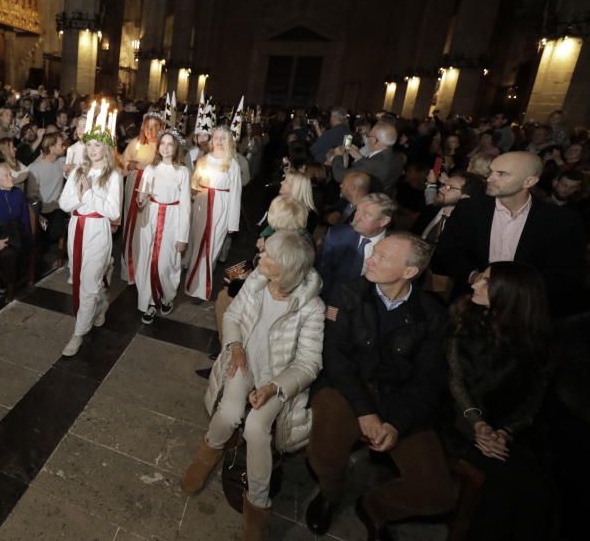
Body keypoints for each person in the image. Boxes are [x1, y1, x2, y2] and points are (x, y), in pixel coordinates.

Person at [305, 233, 455, 540]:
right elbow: (336, 356)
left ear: (409, 272)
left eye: (382, 257)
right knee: (324, 448)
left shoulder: (432, 315)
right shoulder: (348, 292)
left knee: (437, 491)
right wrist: (364, 411)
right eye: (374, 252)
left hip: (400, 398)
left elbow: (429, 380)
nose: (370, 258)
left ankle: (375, 508)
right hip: (349, 388)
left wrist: (397, 424)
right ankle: (330, 493)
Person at [181, 231, 324, 541]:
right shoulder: (258, 281)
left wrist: (273, 387)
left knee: (257, 428)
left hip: (277, 381)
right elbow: (232, 315)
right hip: (242, 363)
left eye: (270, 256)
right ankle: (208, 455)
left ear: (286, 268)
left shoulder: (311, 308)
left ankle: (258, 505)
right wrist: (234, 346)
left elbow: (309, 363)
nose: (261, 259)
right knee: (230, 412)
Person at [445, 262, 556, 541]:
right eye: (479, 278)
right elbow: (454, 381)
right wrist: (479, 426)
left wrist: (505, 432)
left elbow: (534, 397)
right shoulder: (462, 319)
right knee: (497, 490)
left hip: (512, 430)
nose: (474, 284)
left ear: (510, 295)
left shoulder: (536, 338)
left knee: (538, 491)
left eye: (485, 282)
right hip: (458, 422)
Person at [433, 151, 587, 316]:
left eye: (501, 174)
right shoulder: (469, 208)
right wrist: (472, 276)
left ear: (529, 181)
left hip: (525, 312)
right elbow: (448, 248)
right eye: (491, 171)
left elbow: (567, 272)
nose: (490, 178)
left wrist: (518, 291)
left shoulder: (561, 220)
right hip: (471, 305)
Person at [58, 128, 122, 357]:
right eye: (90, 145)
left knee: (88, 282)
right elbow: (64, 204)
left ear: (106, 148)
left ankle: (78, 334)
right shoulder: (77, 171)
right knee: (78, 277)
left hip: (97, 230)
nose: (93, 149)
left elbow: (113, 211)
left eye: (98, 145)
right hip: (76, 228)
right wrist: (79, 193)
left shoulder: (113, 175)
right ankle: (101, 303)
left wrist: (89, 195)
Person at [133, 130, 191, 323]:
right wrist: (141, 199)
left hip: (172, 220)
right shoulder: (151, 169)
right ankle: (149, 302)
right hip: (151, 219)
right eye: (163, 143)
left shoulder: (182, 172)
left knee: (166, 262)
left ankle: (166, 296)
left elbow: (185, 206)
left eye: (170, 144)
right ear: (158, 147)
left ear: (175, 148)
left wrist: (183, 236)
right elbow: (142, 198)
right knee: (149, 261)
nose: (165, 147)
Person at [185, 126, 242, 300]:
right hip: (202, 205)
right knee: (199, 246)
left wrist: (232, 223)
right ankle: (194, 284)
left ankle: (202, 288)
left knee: (212, 249)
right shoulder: (204, 160)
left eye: (223, 138)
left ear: (229, 142)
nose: (218, 141)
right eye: (216, 137)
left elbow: (235, 194)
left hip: (221, 208)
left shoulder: (232, 164)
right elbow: (194, 184)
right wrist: (195, 190)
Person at [317, 192, 395, 303]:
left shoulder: (393, 247)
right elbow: (324, 271)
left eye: (366, 214)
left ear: (383, 221)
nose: (357, 218)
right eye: (357, 210)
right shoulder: (337, 234)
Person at [0, 163, 32, 301]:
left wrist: (27, 237)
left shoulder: (18, 193)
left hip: (15, 233)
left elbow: (25, 219)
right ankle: (2, 286)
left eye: (10, 174)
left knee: (11, 252)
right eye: (6, 175)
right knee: (6, 254)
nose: (11, 177)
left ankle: (4, 285)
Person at [121, 112, 162, 283]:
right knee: (131, 227)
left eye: (154, 127)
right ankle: (129, 269)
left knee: (146, 228)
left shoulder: (163, 146)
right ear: (143, 128)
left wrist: (143, 166)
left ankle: (145, 269)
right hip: (134, 188)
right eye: (147, 127)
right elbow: (122, 162)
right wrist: (129, 165)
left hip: (152, 190)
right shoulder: (135, 144)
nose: (151, 131)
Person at [328, 121, 404, 195]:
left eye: (369, 136)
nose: (367, 138)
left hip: (365, 199)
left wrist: (338, 156)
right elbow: (374, 168)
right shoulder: (398, 158)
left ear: (374, 140)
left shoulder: (372, 164)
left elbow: (340, 176)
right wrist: (359, 157)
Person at [25, 132, 68, 250]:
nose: (64, 147)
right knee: (40, 240)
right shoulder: (35, 167)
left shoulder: (61, 162)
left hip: (57, 209)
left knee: (56, 230)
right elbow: (32, 194)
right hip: (41, 211)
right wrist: (37, 214)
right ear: (51, 147)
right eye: (61, 145)